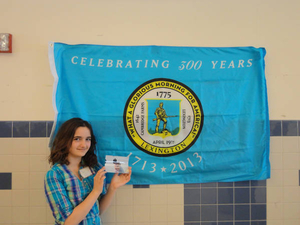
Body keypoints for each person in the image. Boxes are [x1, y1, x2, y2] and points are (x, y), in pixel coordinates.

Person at [44, 118, 132, 225]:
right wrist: (95, 191)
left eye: (88, 139)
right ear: (65, 140)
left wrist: (112, 187)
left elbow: (97, 212)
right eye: (77, 139)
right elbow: (68, 222)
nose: (84, 145)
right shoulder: (55, 175)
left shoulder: (94, 168)